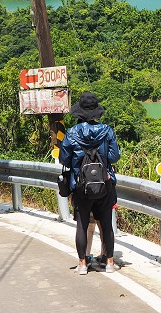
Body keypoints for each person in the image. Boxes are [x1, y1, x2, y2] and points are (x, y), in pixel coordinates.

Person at [59, 92, 120, 275]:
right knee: (107, 224)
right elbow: (114, 157)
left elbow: (65, 159)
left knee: (82, 225)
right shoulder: (107, 130)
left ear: (79, 113)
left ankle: (83, 264)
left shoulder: (71, 133)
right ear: (96, 112)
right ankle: (109, 262)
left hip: (80, 186)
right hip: (104, 184)